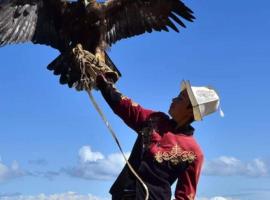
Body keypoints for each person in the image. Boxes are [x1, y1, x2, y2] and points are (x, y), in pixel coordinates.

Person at [96, 74, 221, 200]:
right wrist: (105, 85)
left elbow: (185, 196)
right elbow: (126, 108)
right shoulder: (155, 119)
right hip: (122, 195)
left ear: (191, 110)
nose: (173, 99)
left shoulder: (194, 153)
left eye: (180, 99)